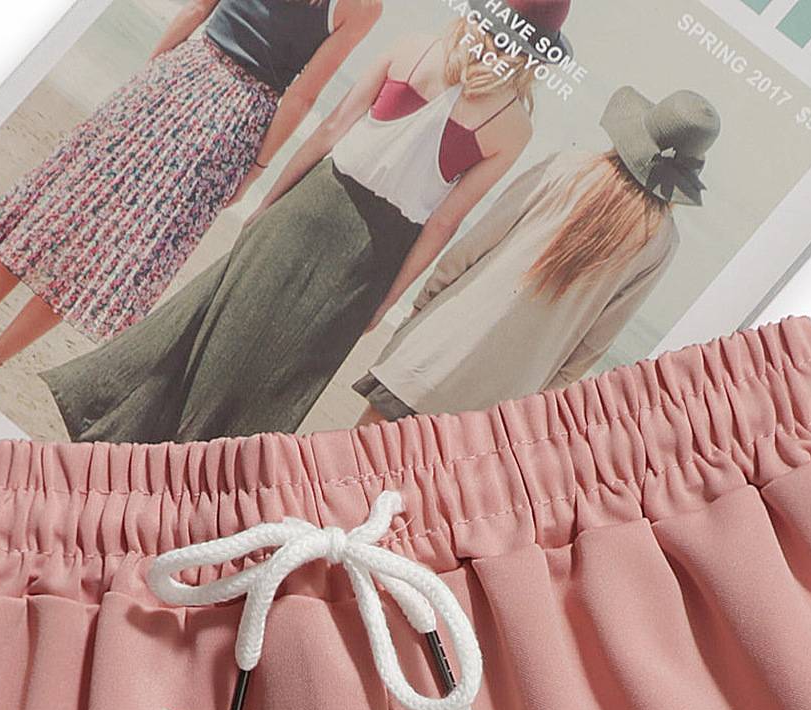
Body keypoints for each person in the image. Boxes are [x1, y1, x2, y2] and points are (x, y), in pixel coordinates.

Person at [45, 5, 572, 445]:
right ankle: (197, 476)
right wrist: (388, 298)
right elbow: (444, 223)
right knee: (280, 378)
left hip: (313, 203)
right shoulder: (514, 127)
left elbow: (331, 129)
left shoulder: (412, 48)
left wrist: (269, 201)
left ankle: (115, 431)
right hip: (373, 258)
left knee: (210, 319)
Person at [0, 0, 383, 397]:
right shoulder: (362, 7)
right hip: (232, 124)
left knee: (62, 207)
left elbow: (195, 10)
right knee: (109, 256)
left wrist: (149, 74)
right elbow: (302, 96)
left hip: (183, 72)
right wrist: (257, 169)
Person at [355, 86, 719, 423]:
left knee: (347, 463)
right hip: (498, 406)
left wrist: (422, 305)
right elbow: (594, 342)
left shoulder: (568, 168)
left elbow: (475, 245)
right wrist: (538, 396)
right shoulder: (660, 241)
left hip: (437, 351)